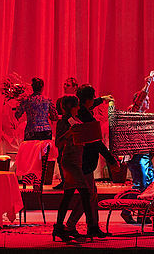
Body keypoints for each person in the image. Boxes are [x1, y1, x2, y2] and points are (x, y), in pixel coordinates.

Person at [62, 84, 116, 238]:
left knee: (91, 194)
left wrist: (101, 99)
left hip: (80, 160)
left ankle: (92, 226)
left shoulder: (80, 111)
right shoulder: (86, 116)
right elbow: (96, 141)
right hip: (83, 161)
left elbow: (89, 105)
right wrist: (111, 160)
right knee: (89, 194)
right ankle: (72, 225)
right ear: (88, 100)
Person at [52, 95, 93, 243]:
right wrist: (69, 133)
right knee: (85, 193)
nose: (78, 108)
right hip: (69, 161)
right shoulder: (63, 122)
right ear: (71, 107)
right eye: (76, 105)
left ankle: (59, 227)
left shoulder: (76, 120)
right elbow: (58, 143)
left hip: (77, 160)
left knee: (68, 195)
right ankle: (91, 227)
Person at [122, 89, 154, 224]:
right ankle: (128, 211)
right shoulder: (133, 112)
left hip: (144, 154)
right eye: (145, 99)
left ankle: (142, 214)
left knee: (146, 184)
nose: (148, 101)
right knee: (141, 184)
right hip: (137, 154)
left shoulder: (144, 115)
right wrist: (147, 85)